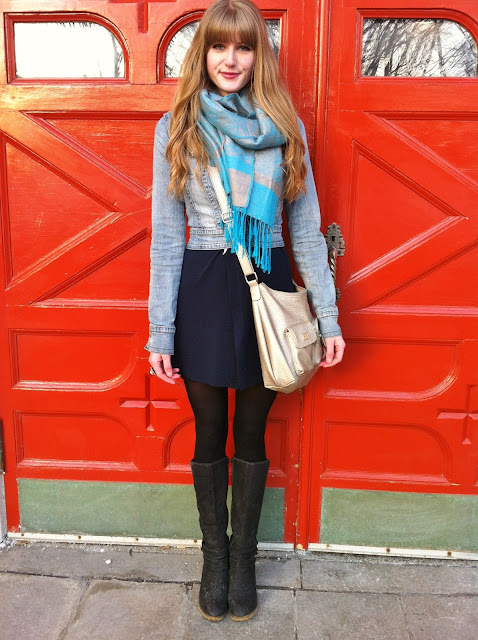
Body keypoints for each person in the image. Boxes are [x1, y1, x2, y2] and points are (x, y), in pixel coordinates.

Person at [145, 0, 346, 623]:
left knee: (253, 431)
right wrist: (160, 330)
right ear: (202, 54)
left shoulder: (284, 125)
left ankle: (243, 562)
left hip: (269, 284)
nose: (230, 59)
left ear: (260, 55)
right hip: (204, 286)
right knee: (209, 429)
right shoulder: (177, 126)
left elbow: (305, 229)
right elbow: (166, 235)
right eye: (218, 46)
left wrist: (328, 316)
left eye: (244, 46)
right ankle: (215, 557)